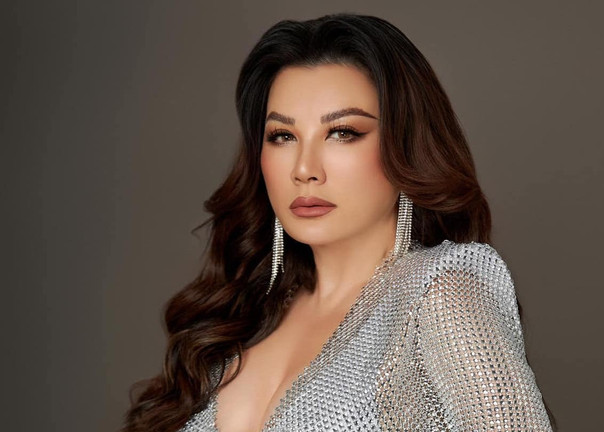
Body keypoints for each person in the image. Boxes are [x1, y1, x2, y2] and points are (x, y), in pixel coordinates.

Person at [123, 13, 556, 432]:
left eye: (343, 132)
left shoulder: (438, 293)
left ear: (405, 146)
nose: (304, 169)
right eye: (282, 136)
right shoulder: (244, 315)